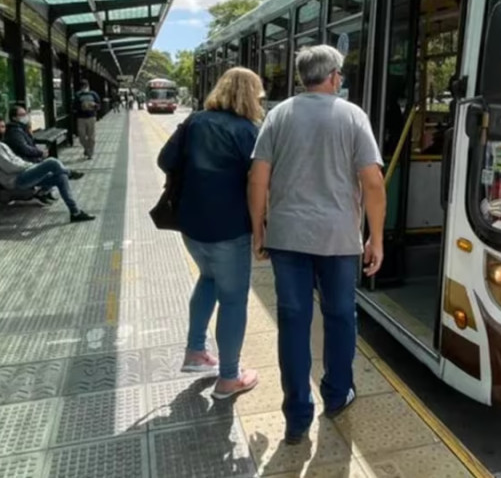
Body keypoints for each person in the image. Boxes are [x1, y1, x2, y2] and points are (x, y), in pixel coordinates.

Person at [248, 46, 386, 444]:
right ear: (333, 77)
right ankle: (337, 392)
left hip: (287, 237)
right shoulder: (352, 115)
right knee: (340, 315)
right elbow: (372, 182)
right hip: (340, 239)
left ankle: (296, 416)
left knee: (292, 322)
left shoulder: (278, 115)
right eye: (340, 74)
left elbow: (258, 178)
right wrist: (375, 238)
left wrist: (259, 230)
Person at [158, 67, 264, 399]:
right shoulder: (248, 131)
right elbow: (260, 182)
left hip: (191, 224)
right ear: (250, 95)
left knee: (207, 279)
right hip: (229, 228)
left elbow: (165, 159)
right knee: (233, 300)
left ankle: (195, 352)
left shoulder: (194, 122)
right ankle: (229, 378)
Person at [0, 116, 95, 222]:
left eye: (2, 127)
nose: (0, 130)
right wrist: (33, 166)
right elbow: (9, 167)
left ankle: (75, 212)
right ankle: (69, 173)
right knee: (52, 162)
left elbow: (17, 160)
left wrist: (34, 167)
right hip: (14, 180)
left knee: (61, 177)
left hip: (23, 174)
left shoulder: (1, 144)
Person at [4, 104, 84, 180]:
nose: (25, 116)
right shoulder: (15, 132)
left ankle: (66, 174)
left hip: (32, 159)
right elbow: (24, 148)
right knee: (53, 164)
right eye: (22, 115)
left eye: (26, 114)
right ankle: (68, 173)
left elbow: (30, 143)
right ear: (14, 118)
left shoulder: (22, 128)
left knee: (61, 176)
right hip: (27, 163)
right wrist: (40, 153)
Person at [74, 80, 101, 160]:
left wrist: (94, 105)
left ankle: (90, 153)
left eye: (85, 86)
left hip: (91, 117)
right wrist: (81, 106)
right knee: (82, 137)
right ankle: (87, 148)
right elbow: (74, 106)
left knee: (91, 137)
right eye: (83, 86)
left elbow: (99, 105)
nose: (84, 88)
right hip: (81, 118)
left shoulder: (93, 94)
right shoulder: (78, 95)